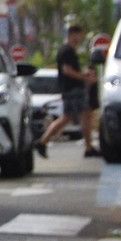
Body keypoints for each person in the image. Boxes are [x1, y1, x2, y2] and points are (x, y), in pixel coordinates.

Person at [42, 21, 98, 159]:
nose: (80, 38)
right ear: (73, 34)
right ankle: (43, 141)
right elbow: (67, 71)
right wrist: (84, 77)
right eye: (79, 35)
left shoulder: (67, 50)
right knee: (76, 116)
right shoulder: (67, 51)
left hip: (72, 89)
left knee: (75, 116)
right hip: (73, 89)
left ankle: (88, 147)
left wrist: (83, 74)